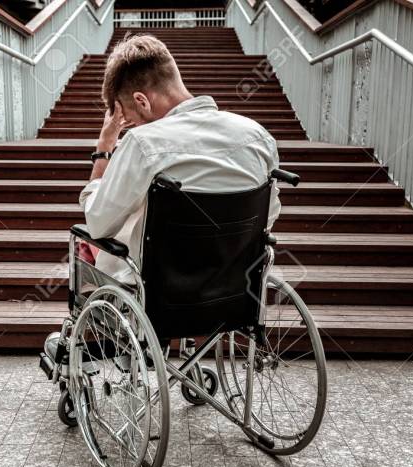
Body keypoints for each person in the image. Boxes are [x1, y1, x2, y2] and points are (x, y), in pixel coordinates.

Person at [79, 34, 282, 283]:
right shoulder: (259, 137)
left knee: (87, 245)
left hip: (160, 291)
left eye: (132, 120)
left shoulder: (144, 143)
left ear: (141, 100)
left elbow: (98, 223)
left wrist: (103, 150)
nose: (135, 127)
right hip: (233, 285)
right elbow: (267, 218)